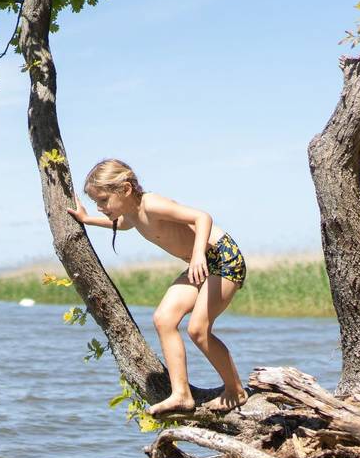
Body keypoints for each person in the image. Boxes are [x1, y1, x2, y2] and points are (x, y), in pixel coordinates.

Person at [66, 158, 248, 416]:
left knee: (198, 330)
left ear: (126, 189)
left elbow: (202, 217)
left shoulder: (151, 204)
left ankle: (236, 390)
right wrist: (88, 220)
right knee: (163, 319)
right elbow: (125, 225)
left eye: (104, 201)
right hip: (203, 264)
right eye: (97, 203)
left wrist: (197, 255)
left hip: (223, 259)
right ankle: (182, 394)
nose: (100, 207)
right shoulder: (131, 213)